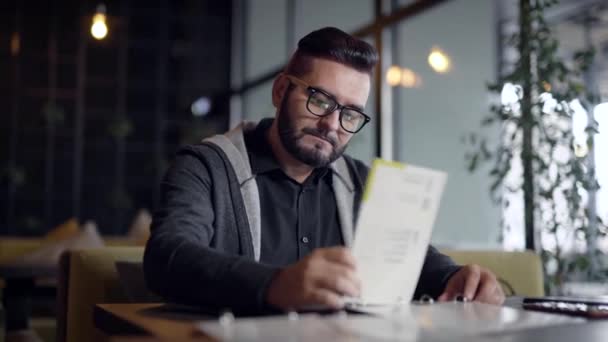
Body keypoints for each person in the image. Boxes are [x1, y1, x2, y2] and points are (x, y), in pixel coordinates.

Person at [143, 27, 504, 314]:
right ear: (281, 90)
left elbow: (418, 264)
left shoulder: (363, 182)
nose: (332, 124)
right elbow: (167, 257)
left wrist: (458, 278)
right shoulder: (205, 167)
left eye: (350, 114)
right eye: (319, 99)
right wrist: (274, 285)